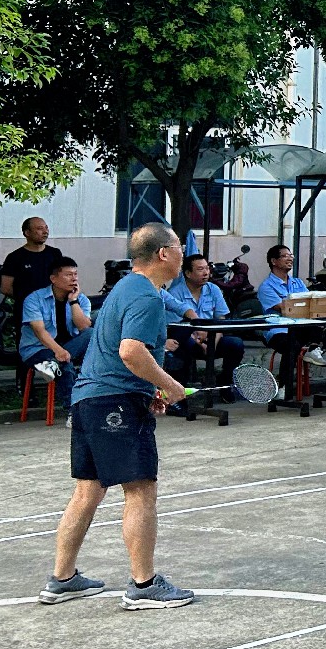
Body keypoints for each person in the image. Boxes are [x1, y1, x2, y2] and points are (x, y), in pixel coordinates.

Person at [41, 221, 193, 610]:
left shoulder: (125, 288)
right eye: (179, 247)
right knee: (140, 489)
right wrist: (169, 384)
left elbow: (116, 351)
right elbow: (130, 351)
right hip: (114, 404)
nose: (183, 254)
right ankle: (144, 585)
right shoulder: (147, 296)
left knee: (88, 490)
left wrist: (148, 388)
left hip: (90, 400)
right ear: (163, 253)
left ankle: (62, 579)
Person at [164, 253, 242, 396]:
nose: (206, 273)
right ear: (188, 273)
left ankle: (224, 383)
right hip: (188, 339)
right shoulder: (175, 293)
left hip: (212, 338)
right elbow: (176, 328)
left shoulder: (214, 289)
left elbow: (220, 321)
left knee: (236, 344)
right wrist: (200, 344)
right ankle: (181, 390)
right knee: (184, 344)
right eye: (200, 269)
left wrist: (213, 344)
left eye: (207, 268)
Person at [20, 258, 94, 404]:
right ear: (53, 279)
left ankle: (52, 364)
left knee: (91, 334)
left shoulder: (81, 299)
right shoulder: (34, 299)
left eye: (75, 274)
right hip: (38, 349)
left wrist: (73, 301)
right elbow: (39, 331)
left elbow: (84, 327)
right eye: (68, 275)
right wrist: (59, 351)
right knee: (65, 366)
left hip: (69, 348)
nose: (74, 279)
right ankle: (72, 410)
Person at [257, 243, 326, 388]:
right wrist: (301, 306)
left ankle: (313, 349)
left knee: (323, 326)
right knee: (292, 346)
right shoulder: (266, 286)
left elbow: (310, 303)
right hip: (278, 330)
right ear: (274, 261)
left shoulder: (297, 282)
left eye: (291, 255)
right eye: (285, 256)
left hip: (299, 326)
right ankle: (284, 387)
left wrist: (303, 306)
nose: (290, 259)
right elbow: (285, 309)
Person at [0, 217, 63, 314]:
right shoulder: (15, 257)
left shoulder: (55, 253)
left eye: (46, 228)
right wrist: (29, 300)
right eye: (40, 228)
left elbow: (63, 279)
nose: (45, 231)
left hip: (53, 310)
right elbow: (6, 288)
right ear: (27, 233)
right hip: (26, 311)